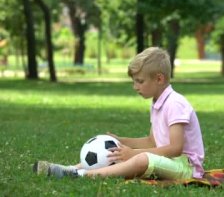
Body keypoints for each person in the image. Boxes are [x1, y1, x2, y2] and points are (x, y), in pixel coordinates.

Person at [34, 47, 205, 180]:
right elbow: (151, 141)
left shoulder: (175, 103)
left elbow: (176, 149)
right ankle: (70, 169)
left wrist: (133, 153)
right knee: (114, 151)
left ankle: (82, 175)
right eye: (134, 81)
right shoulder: (157, 103)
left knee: (141, 159)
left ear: (159, 79)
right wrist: (119, 141)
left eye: (140, 81)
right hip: (168, 160)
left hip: (185, 167)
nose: (135, 87)